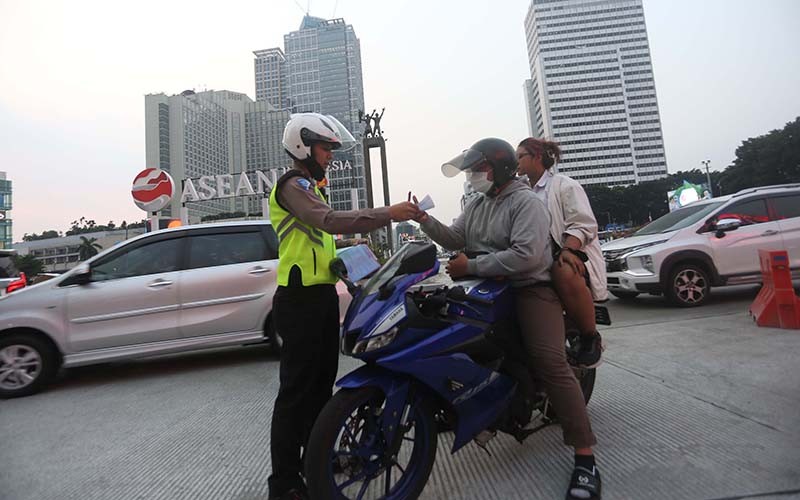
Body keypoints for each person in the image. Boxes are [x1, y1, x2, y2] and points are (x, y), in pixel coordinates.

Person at [414, 138, 602, 500]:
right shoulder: (478, 203)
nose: (471, 177)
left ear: (499, 169)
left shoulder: (525, 202)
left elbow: (528, 257)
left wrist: (472, 265)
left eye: (476, 169)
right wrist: (423, 219)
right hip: (485, 289)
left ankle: (585, 456)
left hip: (529, 289)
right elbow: (455, 236)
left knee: (550, 362)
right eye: (470, 171)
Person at [267, 112, 421, 500]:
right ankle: (283, 483)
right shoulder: (292, 185)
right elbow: (329, 221)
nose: (330, 155)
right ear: (303, 145)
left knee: (320, 391)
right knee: (295, 395)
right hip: (299, 300)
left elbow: (318, 240)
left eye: (332, 148)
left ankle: (316, 460)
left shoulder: (311, 186)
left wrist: (349, 259)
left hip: (319, 297)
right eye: (325, 147)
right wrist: (388, 213)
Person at [517, 137, 608, 369]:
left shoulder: (564, 185)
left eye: (520, 157)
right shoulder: (521, 192)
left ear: (537, 157)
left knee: (564, 270)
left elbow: (583, 225)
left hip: (565, 257)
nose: (515, 162)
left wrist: (568, 250)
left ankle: (590, 337)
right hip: (533, 260)